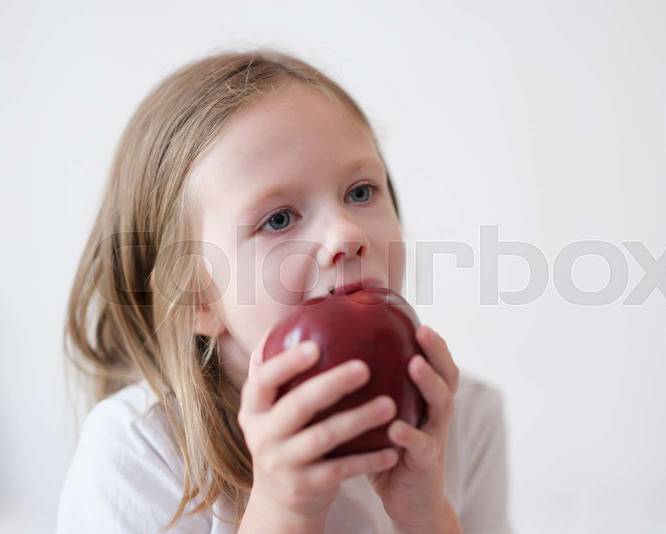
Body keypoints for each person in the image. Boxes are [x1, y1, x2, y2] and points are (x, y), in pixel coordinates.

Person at [56, 47, 513, 534]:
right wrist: (284, 511)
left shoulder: (465, 418)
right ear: (195, 299)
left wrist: (427, 515)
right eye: (278, 219)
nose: (347, 234)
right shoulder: (139, 450)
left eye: (360, 192)